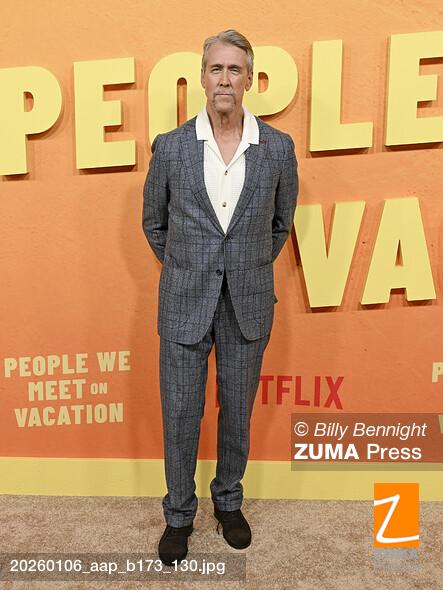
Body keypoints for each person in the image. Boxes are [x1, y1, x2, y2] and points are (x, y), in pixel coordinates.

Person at [142, 29, 298, 566]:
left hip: (247, 304)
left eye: (235, 69)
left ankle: (229, 502)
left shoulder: (277, 148)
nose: (225, 79)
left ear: (249, 79)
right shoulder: (171, 147)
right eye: (216, 69)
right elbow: (154, 224)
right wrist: (191, 267)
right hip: (184, 301)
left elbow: (280, 225)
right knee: (180, 414)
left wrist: (242, 267)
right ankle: (178, 515)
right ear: (202, 78)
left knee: (237, 414)